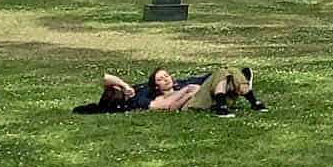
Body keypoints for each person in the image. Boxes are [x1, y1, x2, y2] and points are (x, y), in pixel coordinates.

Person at [78, 64, 263, 114]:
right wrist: (187, 91)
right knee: (224, 71)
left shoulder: (133, 89)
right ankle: (250, 98)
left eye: (166, 75)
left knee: (228, 73)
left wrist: (126, 86)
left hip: (209, 90)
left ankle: (240, 89)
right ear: (155, 85)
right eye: (161, 78)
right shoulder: (141, 98)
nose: (166, 79)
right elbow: (167, 106)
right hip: (197, 99)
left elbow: (108, 78)